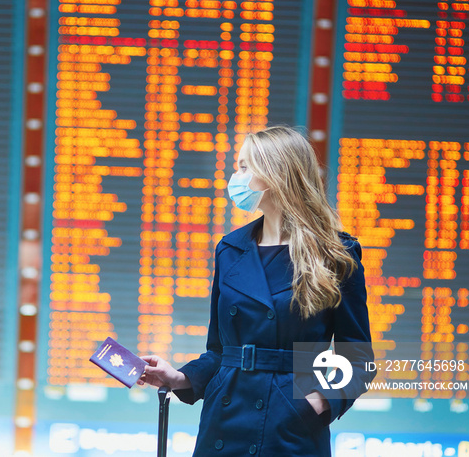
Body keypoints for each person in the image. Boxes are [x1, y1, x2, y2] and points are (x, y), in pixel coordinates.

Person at [138, 126, 376, 456]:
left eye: (244, 167)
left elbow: (358, 358)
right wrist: (180, 378)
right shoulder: (230, 248)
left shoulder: (336, 252)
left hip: (290, 426)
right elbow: (220, 352)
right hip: (223, 421)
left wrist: (319, 401)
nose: (237, 177)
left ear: (276, 173)